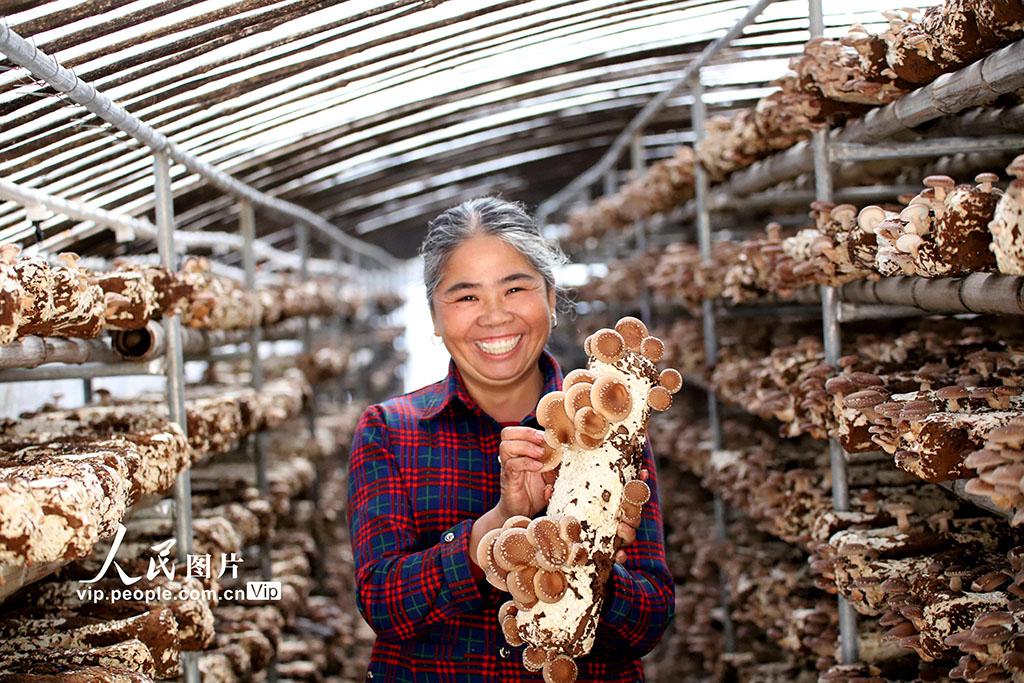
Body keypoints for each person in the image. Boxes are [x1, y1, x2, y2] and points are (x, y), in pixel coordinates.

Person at [347, 197, 674, 681]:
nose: (495, 316)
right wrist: (499, 525)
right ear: (435, 319)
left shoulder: (606, 424)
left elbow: (648, 623)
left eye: (515, 287)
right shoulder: (389, 432)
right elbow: (385, 604)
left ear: (550, 298)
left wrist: (594, 562)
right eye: (466, 297)